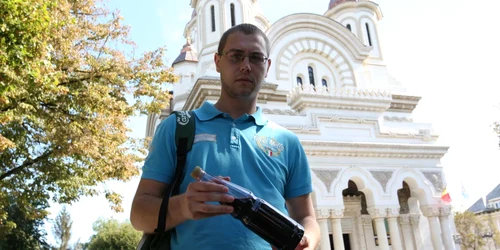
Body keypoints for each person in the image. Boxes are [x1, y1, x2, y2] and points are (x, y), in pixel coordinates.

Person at [130, 23, 320, 250]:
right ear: (218, 62)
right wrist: (183, 207)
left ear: (267, 66)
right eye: (236, 56)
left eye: (256, 58)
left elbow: (306, 217)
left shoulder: (287, 142)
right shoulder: (178, 128)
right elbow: (139, 215)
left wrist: (307, 240)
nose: (246, 66)